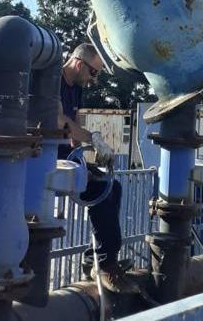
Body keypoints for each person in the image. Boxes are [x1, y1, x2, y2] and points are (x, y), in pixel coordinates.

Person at [58, 43, 138, 293]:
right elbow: (61, 122)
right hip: (43, 158)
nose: (93, 79)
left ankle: (100, 260)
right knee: (103, 190)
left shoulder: (75, 88)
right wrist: (92, 138)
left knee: (111, 187)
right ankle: (104, 264)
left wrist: (87, 155)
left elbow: (74, 127)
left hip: (64, 156)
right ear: (78, 63)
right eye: (93, 72)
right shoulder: (51, 81)